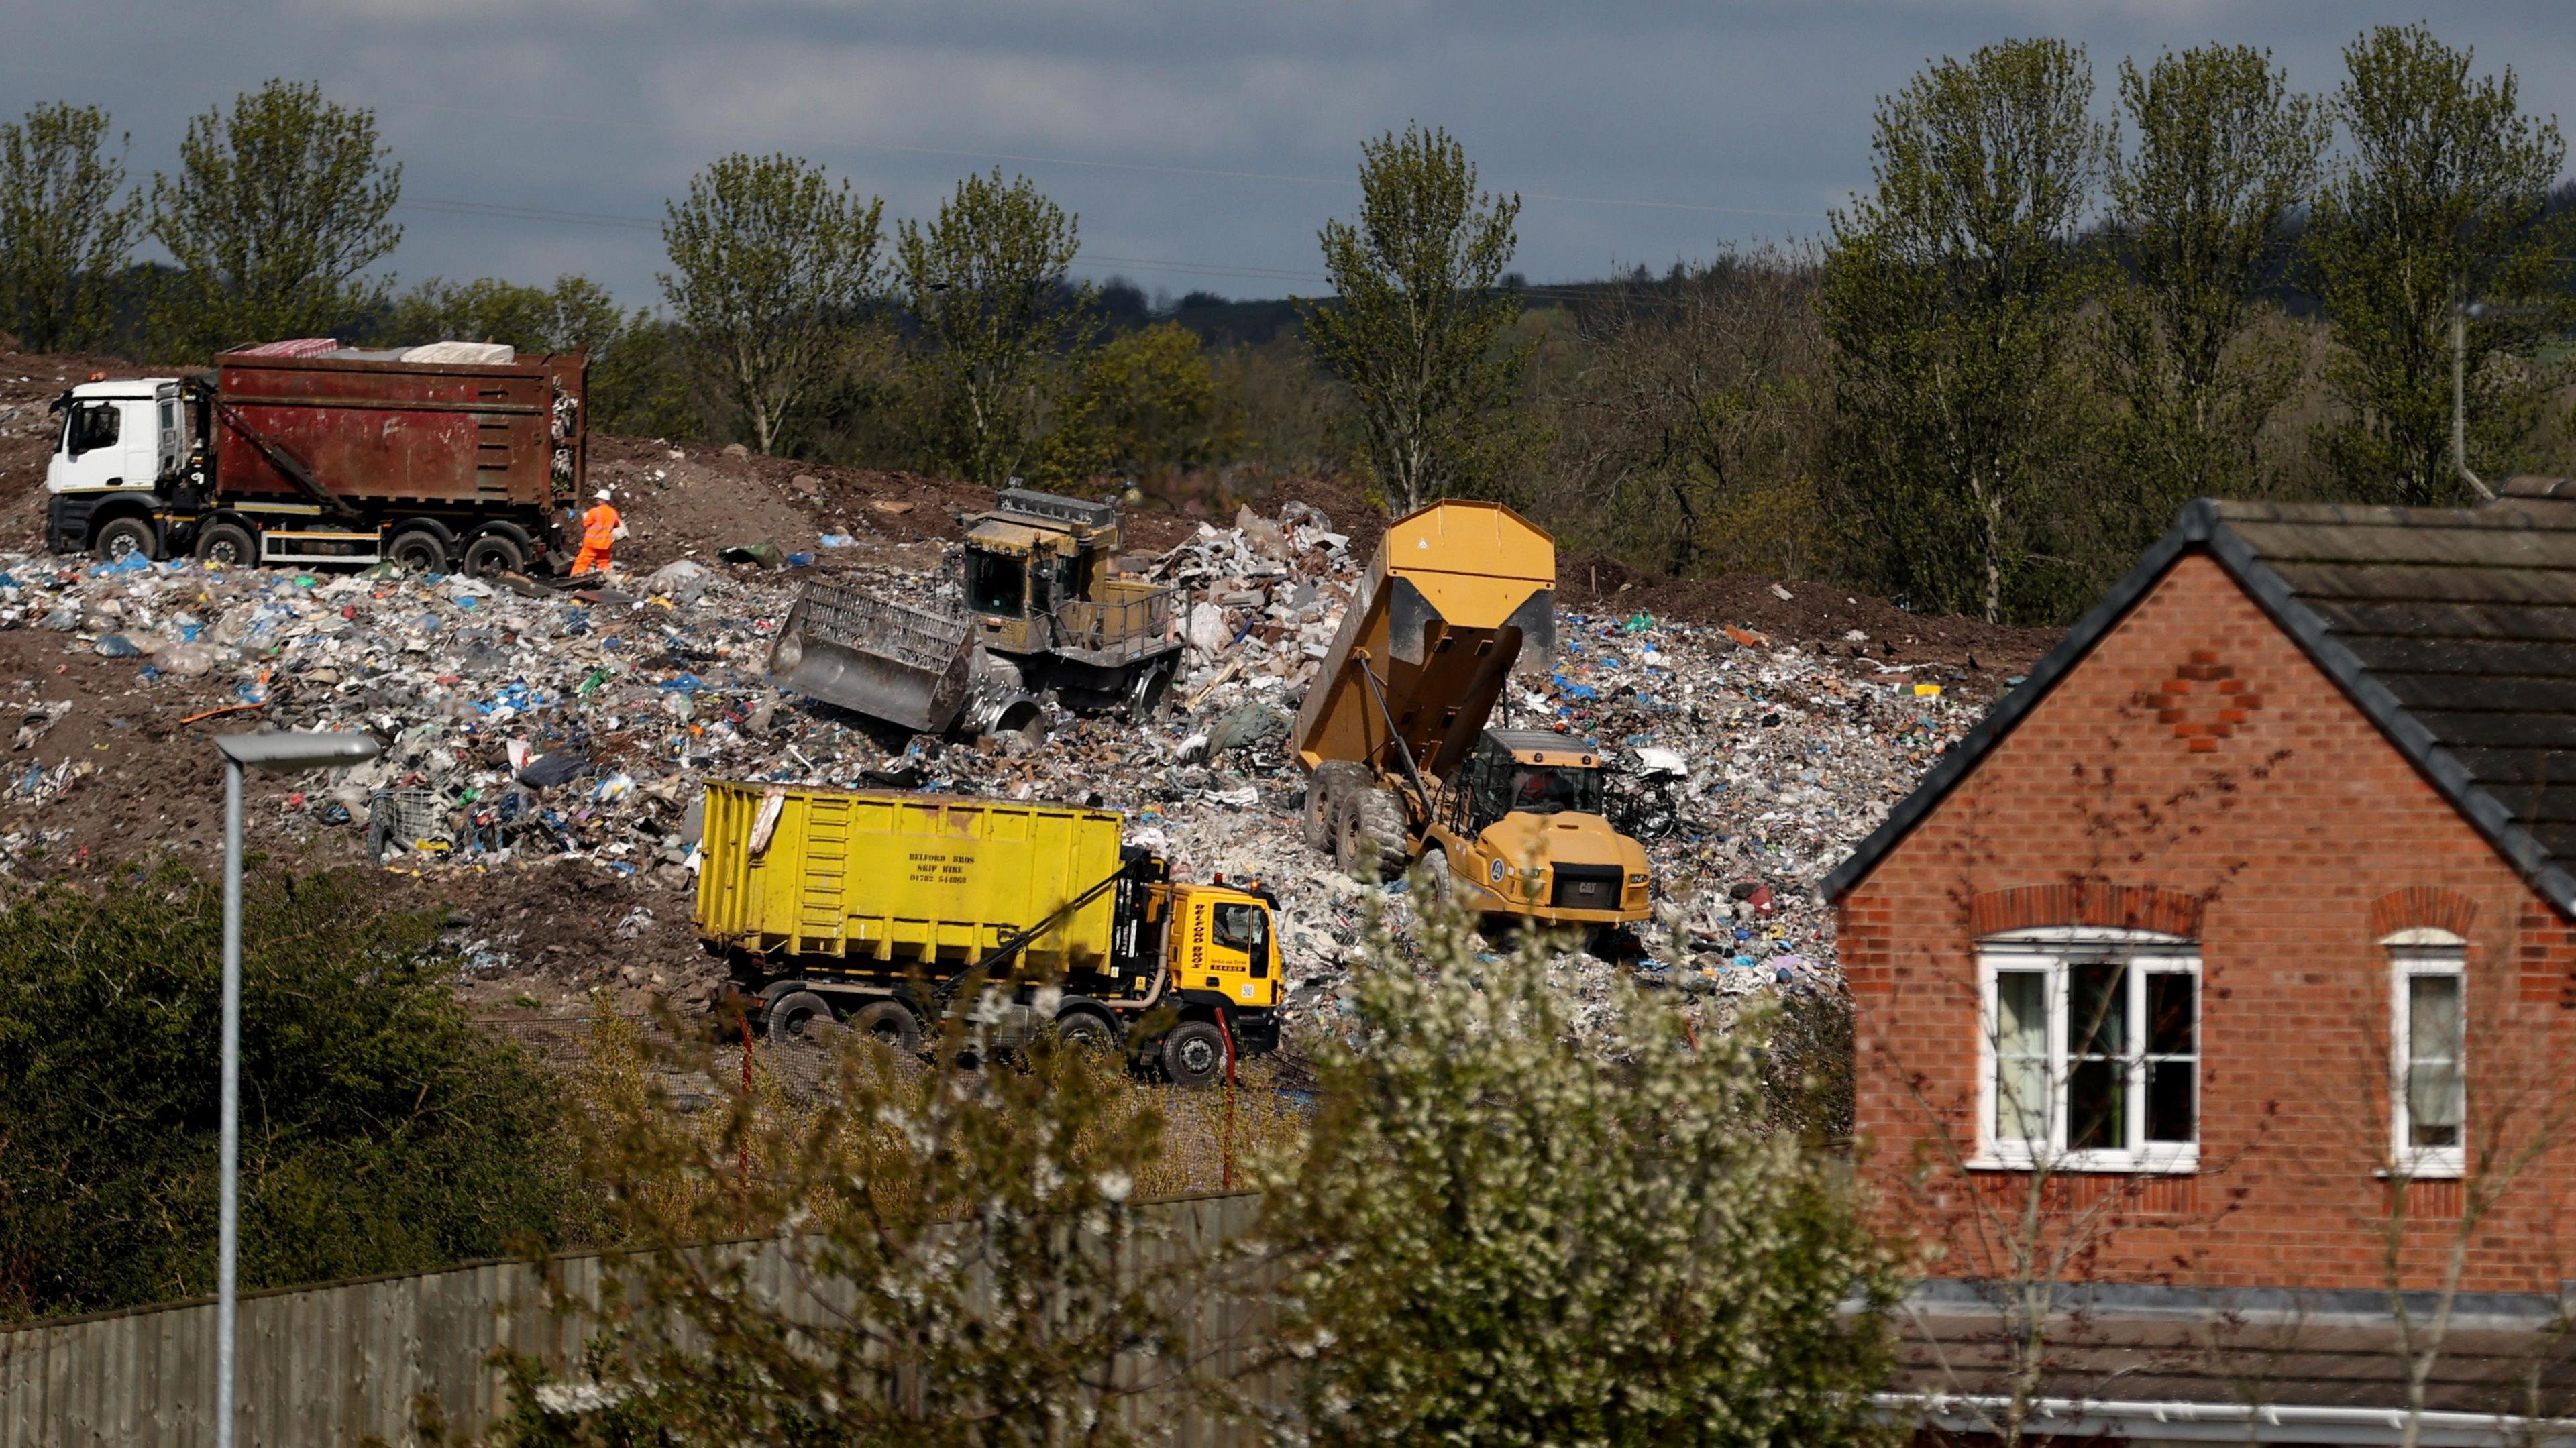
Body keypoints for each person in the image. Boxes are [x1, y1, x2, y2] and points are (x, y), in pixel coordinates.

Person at [574, 488, 621, 576]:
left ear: (602, 500)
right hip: (606, 544)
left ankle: (576, 577)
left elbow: (586, 524)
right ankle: (607, 578)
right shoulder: (614, 513)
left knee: (582, 562)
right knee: (604, 562)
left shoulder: (594, 512)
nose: (596, 501)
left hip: (593, 543)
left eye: (598, 499)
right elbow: (616, 525)